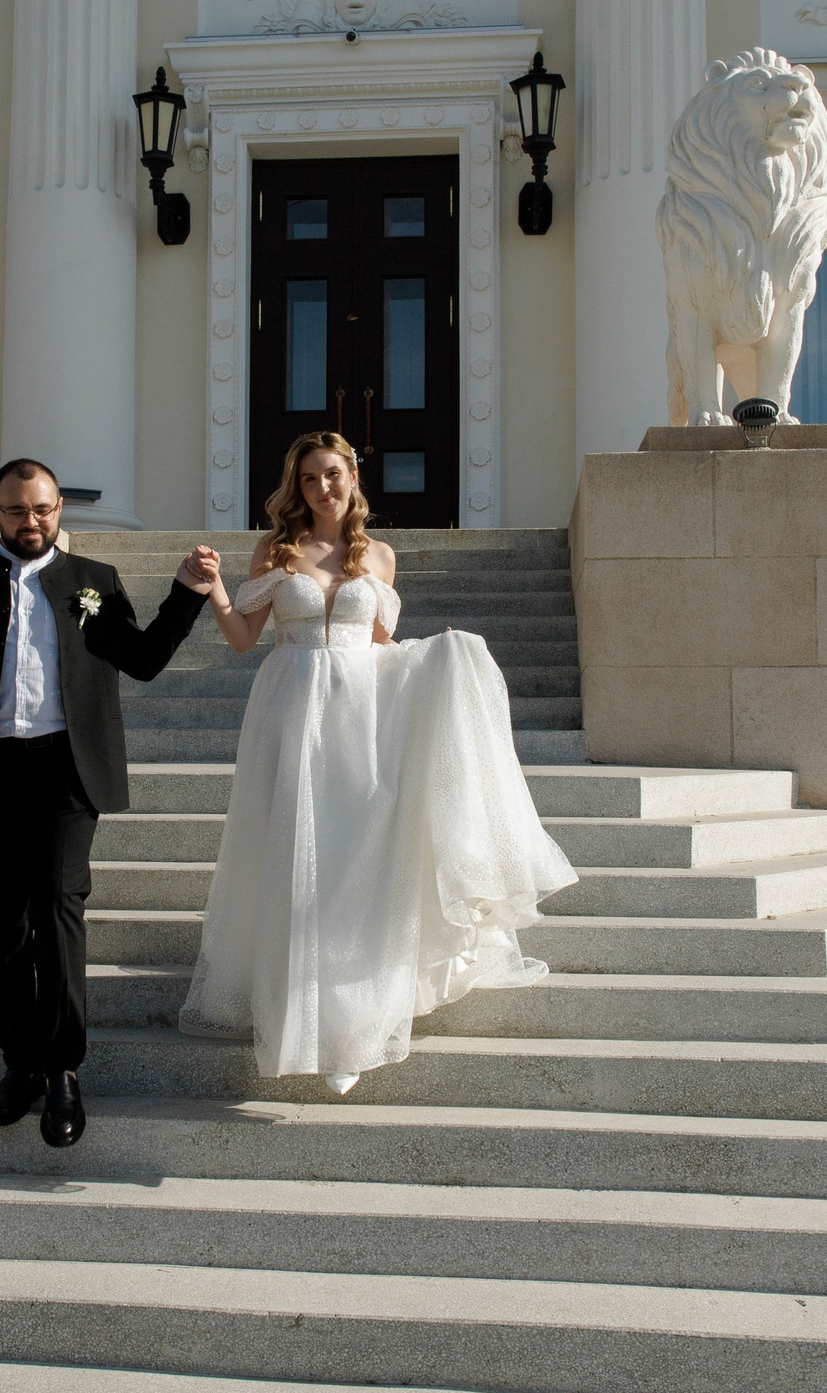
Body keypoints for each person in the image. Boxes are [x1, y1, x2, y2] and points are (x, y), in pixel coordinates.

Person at [177, 431, 576, 1093]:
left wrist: (440, 659)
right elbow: (245, 639)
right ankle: (299, 1019)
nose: (322, 488)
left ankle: (351, 1029)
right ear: (296, 486)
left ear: (354, 475)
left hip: (362, 721)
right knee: (300, 860)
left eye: (332, 474)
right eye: (308, 479)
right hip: (292, 709)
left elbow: (384, 645)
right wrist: (216, 588)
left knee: (354, 860)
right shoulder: (276, 549)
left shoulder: (379, 556)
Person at [0, 458, 219, 1148]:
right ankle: (20, 1063)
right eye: (18, 510)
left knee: (56, 913)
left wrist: (185, 596)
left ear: (61, 510)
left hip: (65, 772)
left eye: (44, 509)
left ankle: (63, 1069)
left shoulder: (94, 582)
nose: (33, 521)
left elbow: (140, 659)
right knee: (1, 925)